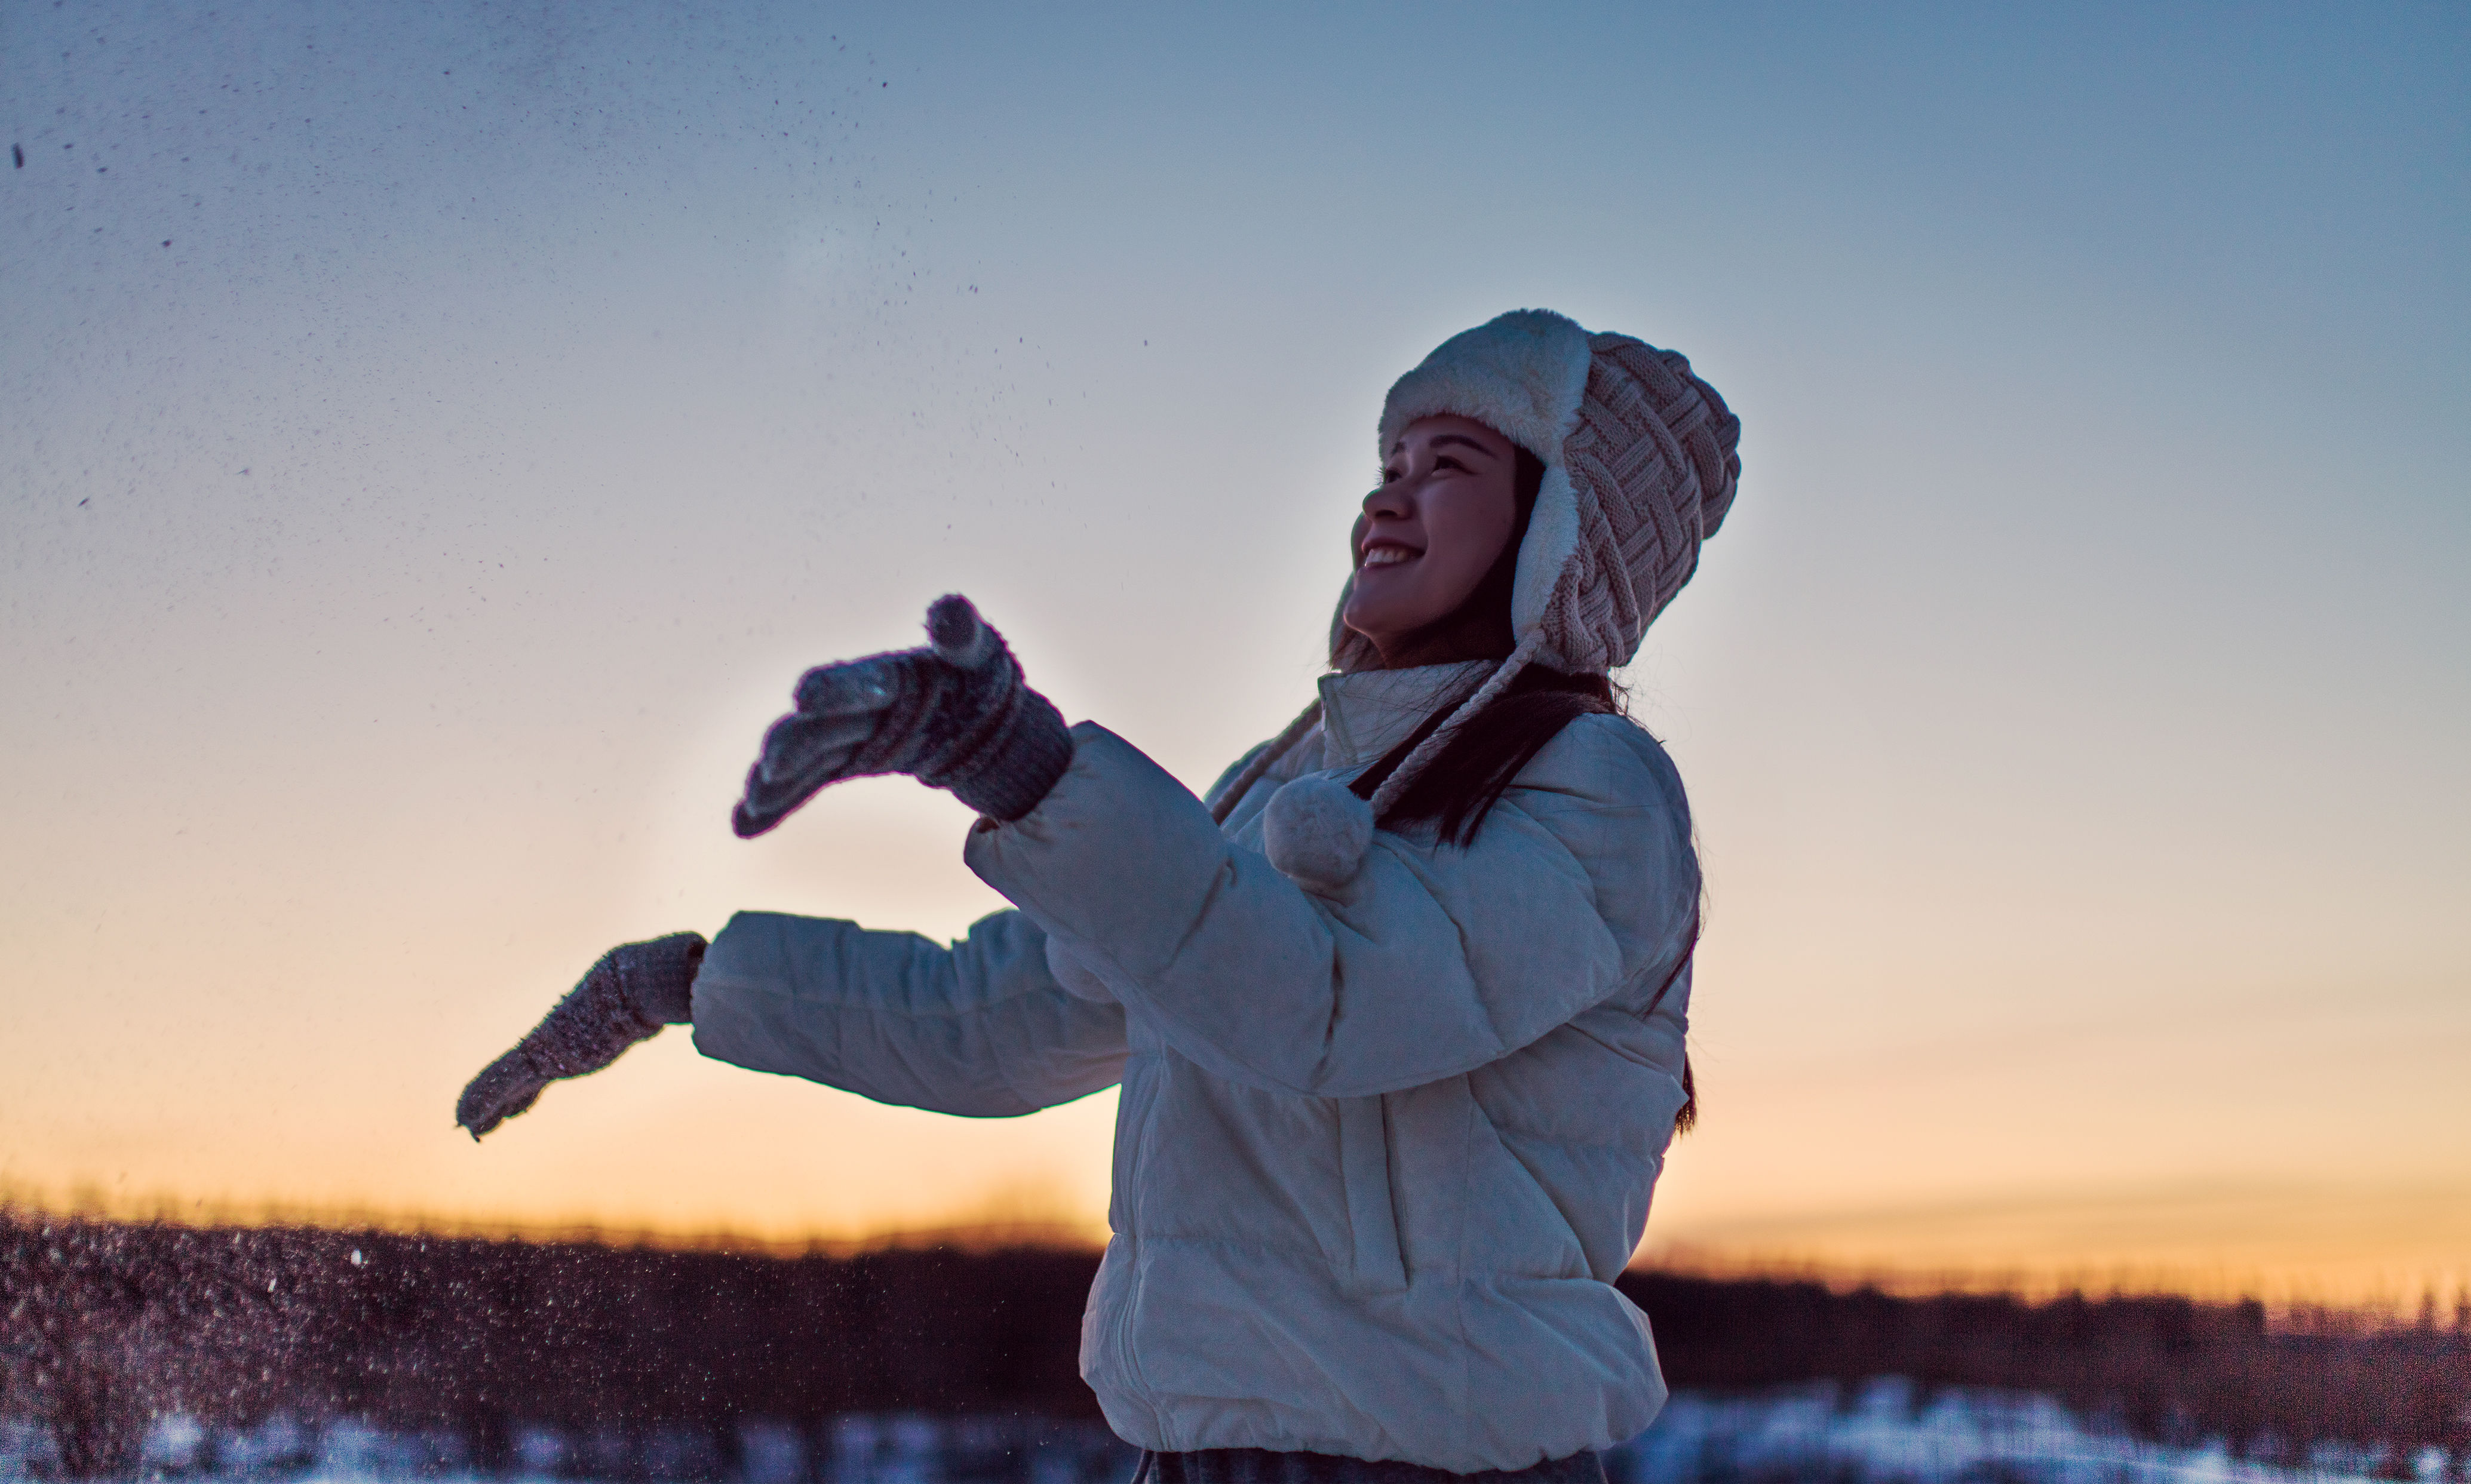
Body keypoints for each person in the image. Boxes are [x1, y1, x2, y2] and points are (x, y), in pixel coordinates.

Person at [456, 308, 1742, 1482]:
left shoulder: (1597, 792)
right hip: (1190, 1459)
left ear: (1561, 532)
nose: (1383, 498)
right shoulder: (1277, 786)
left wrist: (1027, 769)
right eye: (1385, 464)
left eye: (1446, 464)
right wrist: (687, 982)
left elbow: (1325, 1003)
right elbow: (1001, 1011)